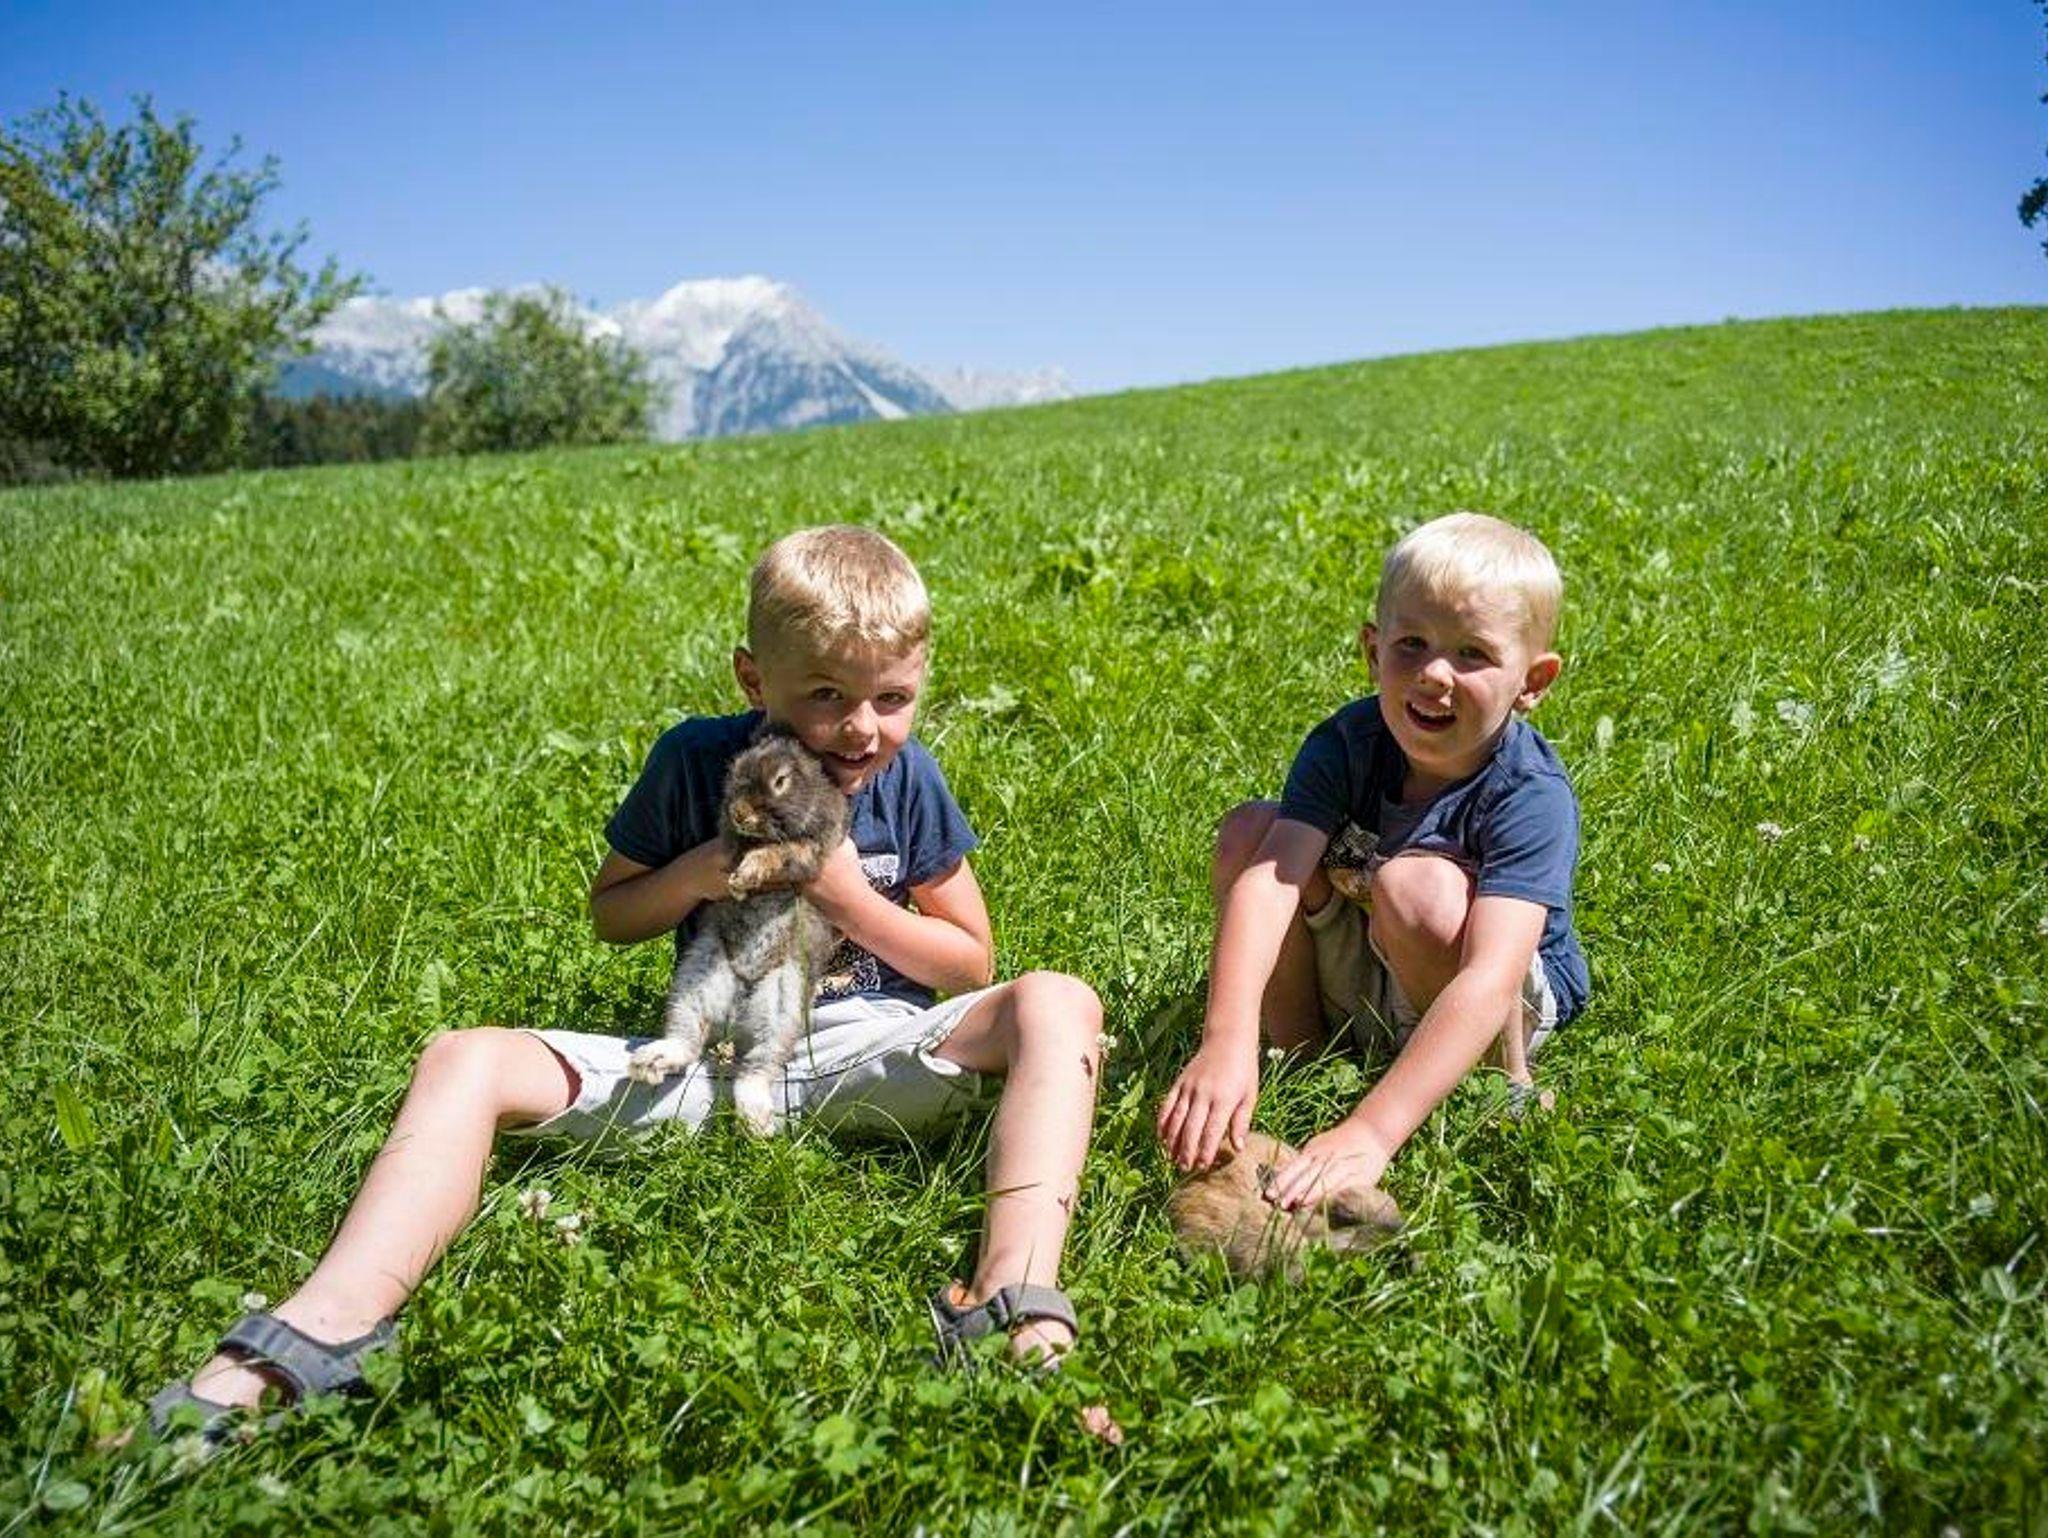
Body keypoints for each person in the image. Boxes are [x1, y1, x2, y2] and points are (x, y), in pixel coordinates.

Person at [153, 525, 1102, 1440]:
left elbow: (970, 961)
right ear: (753, 679)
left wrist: (846, 897)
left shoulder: (907, 778)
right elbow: (614, 914)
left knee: (1059, 1002)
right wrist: (702, 872)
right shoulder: (695, 761)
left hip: (870, 1055)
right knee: (464, 1057)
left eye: (892, 698)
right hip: (708, 1064)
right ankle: (326, 1325)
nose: (861, 728)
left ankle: (1013, 1310)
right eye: (825, 695)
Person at [1157, 511, 1588, 1210]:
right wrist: (1225, 1041)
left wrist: (1372, 1132)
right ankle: (1301, 1064)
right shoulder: (1347, 744)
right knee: (1249, 835)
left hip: (1497, 1000)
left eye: (1473, 654)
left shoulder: (1529, 793)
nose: (1435, 674)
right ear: (1372, 649)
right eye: (1412, 644)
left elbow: (1492, 977)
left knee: (1418, 886)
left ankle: (1497, 1092)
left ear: (1533, 681)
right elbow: (1269, 885)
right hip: (1382, 951)